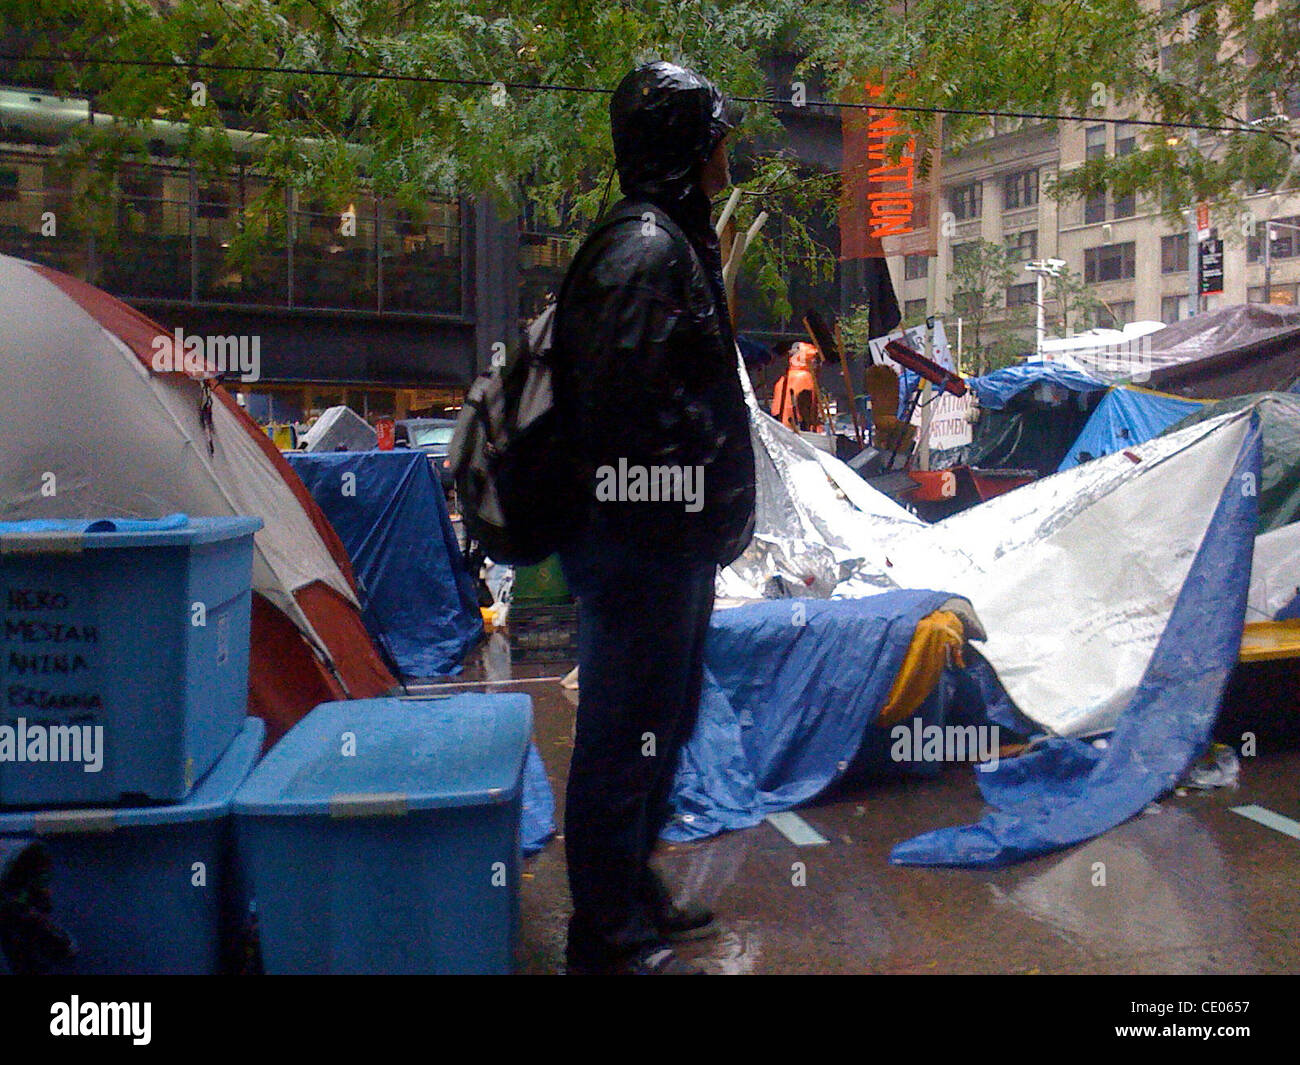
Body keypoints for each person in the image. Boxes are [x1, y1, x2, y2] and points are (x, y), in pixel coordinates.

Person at [552, 62, 757, 975]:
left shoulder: (671, 242)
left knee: (657, 728)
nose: (727, 149)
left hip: (669, 546)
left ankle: (631, 886)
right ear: (682, 143)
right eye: (714, 132)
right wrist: (690, 493)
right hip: (641, 546)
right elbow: (622, 412)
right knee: (622, 732)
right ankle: (604, 931)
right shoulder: (644, 252)